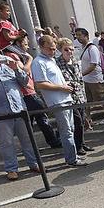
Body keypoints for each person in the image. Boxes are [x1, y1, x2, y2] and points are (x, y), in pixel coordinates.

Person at [0, 34, 40, 180]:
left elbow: (24, 81)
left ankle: (33, 163)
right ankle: (11, 169)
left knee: (27, 138)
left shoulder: (8, 60)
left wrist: (17, 69)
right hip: (0, 112)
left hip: (19, 109)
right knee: (6, 142)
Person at [31, 35, 87, 167]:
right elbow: (39, 84)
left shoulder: (50, 60)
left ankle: (72, 155)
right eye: (49, 49)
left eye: (54, 49)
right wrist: (61, 87)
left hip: (66, 99)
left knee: (70, 130)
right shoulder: (38, 62)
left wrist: (65, 83)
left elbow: (53, 81)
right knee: (67, 131)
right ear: (41, 47)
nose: (52, 52)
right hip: (57, 102)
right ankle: (71, 159)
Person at [6, 32, 60, 148]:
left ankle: (34, 146)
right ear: (18, 43)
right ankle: (49, 142)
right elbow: (24, 71)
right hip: (26, 93)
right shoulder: (12, 55)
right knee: (39, 118)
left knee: (33, 121)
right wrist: (30, 59)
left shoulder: (19, 54)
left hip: (29, 92)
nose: (28, 47)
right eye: (25, 44)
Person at [55, 37, 92, 157]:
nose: (69, 52)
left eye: (71, 49)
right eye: (66, 49)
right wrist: (70, 83)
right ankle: (78, 145)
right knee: (77, 122)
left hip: (79, 96)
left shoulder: (76, 61)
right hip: (68, 97)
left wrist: (83, 97)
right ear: (60, 50)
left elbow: (80, 80)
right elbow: (60, 80)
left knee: (81, 120)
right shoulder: (57, 63)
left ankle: (82, 142)